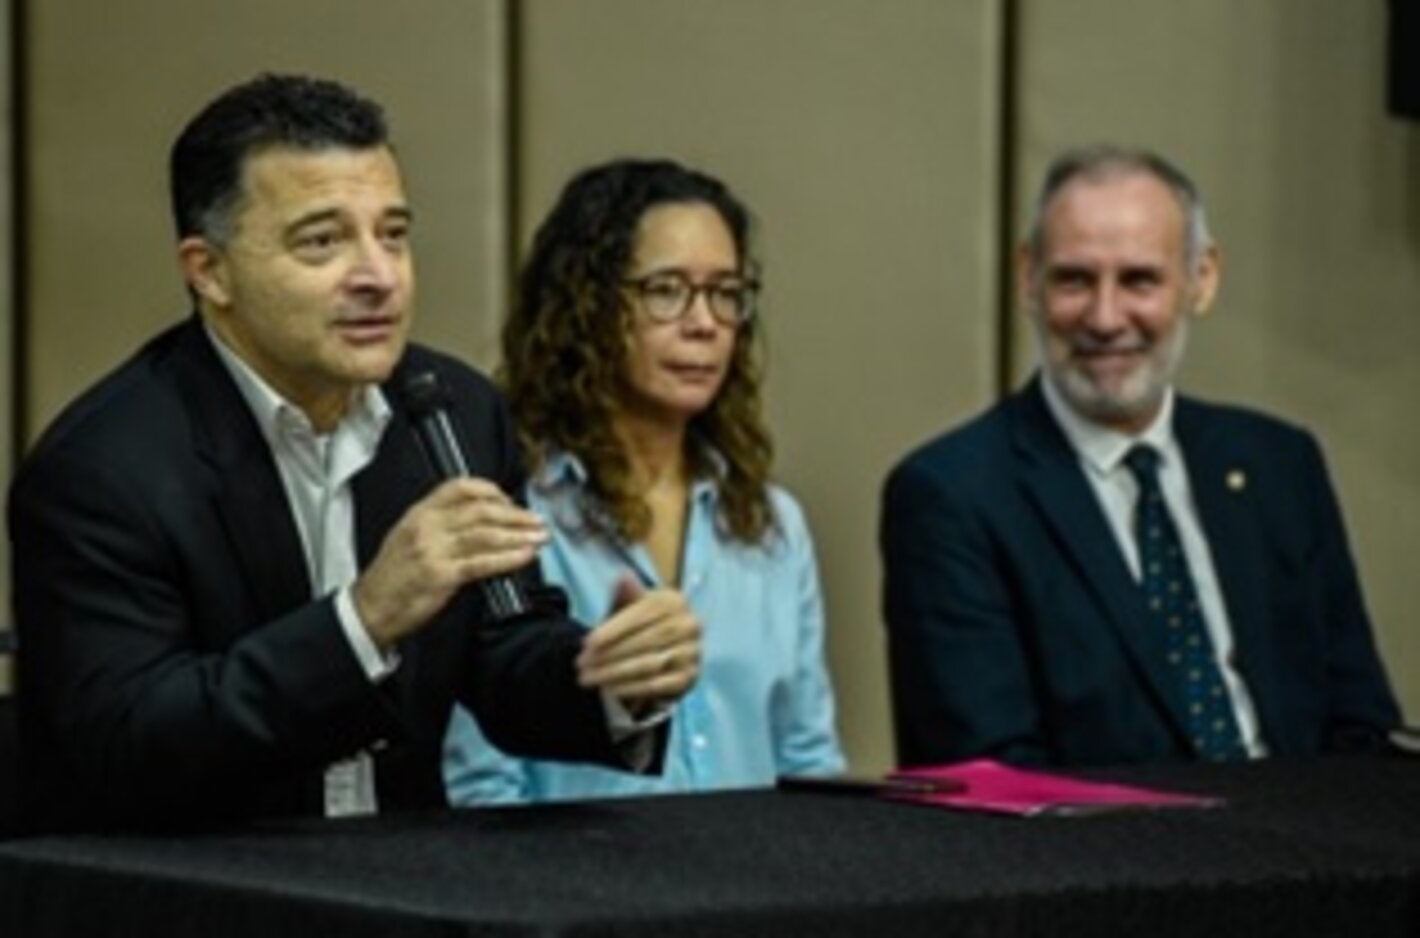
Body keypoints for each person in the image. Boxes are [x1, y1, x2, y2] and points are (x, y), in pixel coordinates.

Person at [7, 74, 702, 832]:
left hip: (401, 872)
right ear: (209, 271)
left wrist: (611, 681)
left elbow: (502, 653)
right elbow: (127, 746)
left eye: (393, 234)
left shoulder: (453, 413)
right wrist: (363, 620)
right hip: (204, 881)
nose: (379, 276)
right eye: (323, 241)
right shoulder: (104, 469)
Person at [881, 145, 1400, 768]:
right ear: (1027, 278)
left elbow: (1362, 728)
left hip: (1313, 826)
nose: (1105, 318)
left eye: (1139, 280)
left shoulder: (1280, 466)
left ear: (1201, 279)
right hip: (1103, 834)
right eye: (1074, 280)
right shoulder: (953, 496)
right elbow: (994, 777)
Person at [443, 158, 844, 803]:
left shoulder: (773, 524)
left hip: (761, 866)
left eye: (725, 292)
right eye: (666, 290)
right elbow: (481, 787)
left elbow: (809, 759)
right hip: (571, 869)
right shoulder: (513, 514)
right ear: (587, 306)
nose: (704, 322)